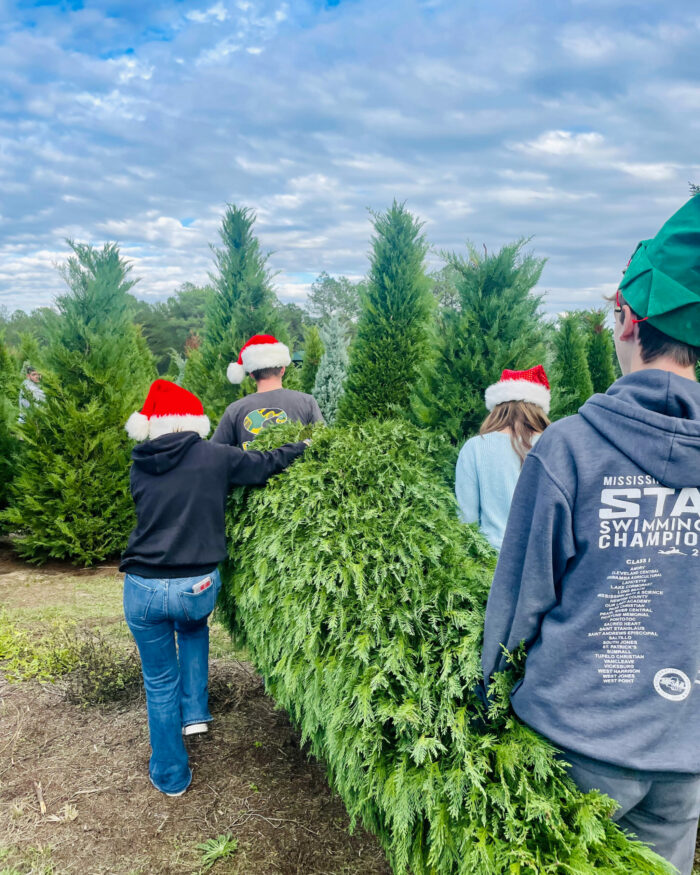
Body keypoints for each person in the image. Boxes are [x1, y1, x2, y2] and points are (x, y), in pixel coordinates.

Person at [481, 196, 700, 874]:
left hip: (575, 739)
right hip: (684, 747)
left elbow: (519, 599)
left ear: (629, 319)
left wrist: (486, 696)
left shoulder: (571, 447)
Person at [120, 379, 309, 797]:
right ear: (193, 421)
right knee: (192, 629)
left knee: (158, 682)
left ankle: (171, 777)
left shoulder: (139, 464)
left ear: (150, 425)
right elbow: (265, 464)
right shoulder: (214, 456)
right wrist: (303, 447)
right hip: (196, 584)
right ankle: (195, 713)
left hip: (142, 586)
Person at [455, 365, 550, 550]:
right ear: (539, 406)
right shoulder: (555, 444)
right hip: (545, 559)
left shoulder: (474, 448)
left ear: (498, 405)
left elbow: (466, 520)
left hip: (490, 561)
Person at [211, 333, 323, 448]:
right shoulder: (307, 402)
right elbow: (323, 442)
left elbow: (214, 452)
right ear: (283, 369)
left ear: (252, 374)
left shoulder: (235, 410)